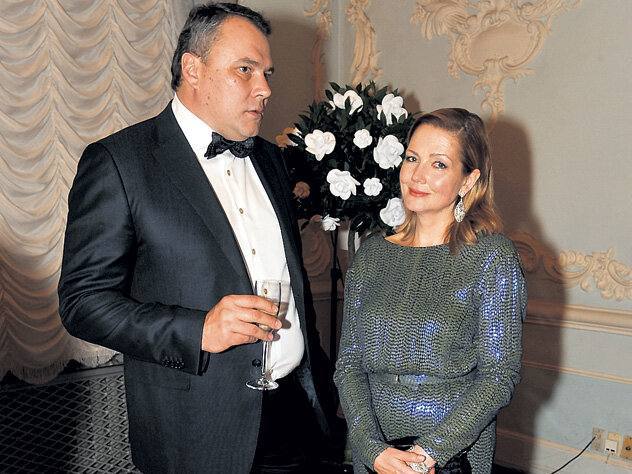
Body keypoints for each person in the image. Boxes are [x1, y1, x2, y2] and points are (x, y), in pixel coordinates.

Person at [58, 3, 339, 473]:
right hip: (195, 433)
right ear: (193, 69)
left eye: (266, 73)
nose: (265, 88)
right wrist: (199, 330)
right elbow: (82, 302)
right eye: (245, 70)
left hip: (295, 420)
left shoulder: (271, 159)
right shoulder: (119, 163)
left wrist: (320, 395)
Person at [334, 108, 527, 474]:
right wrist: (372, 449)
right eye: (412, 158)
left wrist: (427, 455)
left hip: (451, 456)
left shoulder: (491, 256)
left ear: (468, 180)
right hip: (374, 452)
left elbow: (499, 375)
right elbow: (349, 365)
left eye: (438, 164)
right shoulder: (372, 254)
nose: (417, 175)